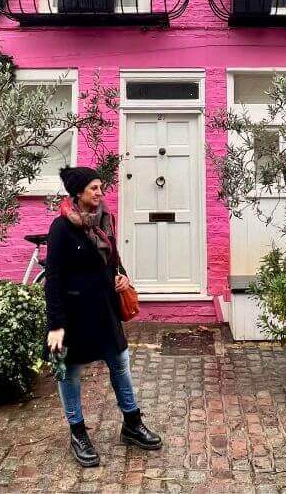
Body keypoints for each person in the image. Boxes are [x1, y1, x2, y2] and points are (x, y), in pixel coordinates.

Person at [46, 165, 162, 468]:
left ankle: (132, 424)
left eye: (101, 187)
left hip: (104, 309)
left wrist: (122, 277)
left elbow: (113, 260)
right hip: (74, 315)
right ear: (78, 192)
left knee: (120, 363)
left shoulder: (105, 220)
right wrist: (56, 325)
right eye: (94, 188)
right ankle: (78, 432)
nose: (100, 193)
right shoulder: (61, 228)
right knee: (70, 374)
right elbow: (53, 280)